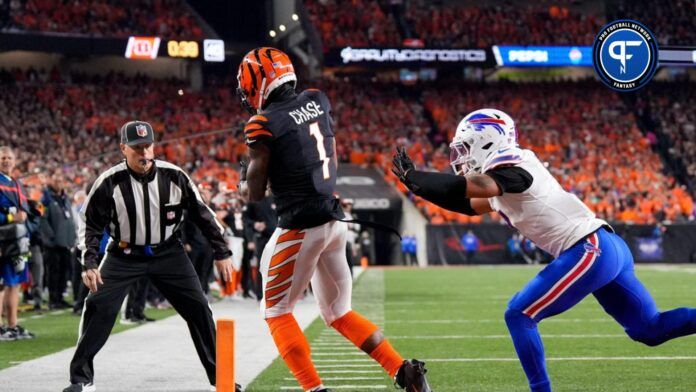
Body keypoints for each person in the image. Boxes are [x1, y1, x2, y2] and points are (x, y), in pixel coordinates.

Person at [392, 108, 696, 392]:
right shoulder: (501, 179)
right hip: (604, 247)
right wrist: (417, 185)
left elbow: (477, 188)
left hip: (589, 248)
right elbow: (468, 205)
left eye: (466, 146)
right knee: (649, 329)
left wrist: (416, 178)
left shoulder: (513, 163)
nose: (461, 156)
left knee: (519, 314)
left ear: (486, 140)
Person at [237, 47, 431, 392]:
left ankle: (314, 388)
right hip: (334, 221)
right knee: (339, 312)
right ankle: (404, 371)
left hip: (299, 226)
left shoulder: (261, 124)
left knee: (276, 311)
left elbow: (253, 194)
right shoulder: (317, 99)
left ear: (259, 83)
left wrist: (246, 174)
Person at [63, 121, 239, 392]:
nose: (144, 153)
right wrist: (89, 262)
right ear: (123, 148)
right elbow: (90, 224)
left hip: (168, 252)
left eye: (147, 147)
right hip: (123, 254)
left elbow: (203, 214)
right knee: (98, 306)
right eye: (136, 148)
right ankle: (82, 379)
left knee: (199, 308)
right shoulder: (109, 182)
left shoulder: (175, 176)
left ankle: (222, 379)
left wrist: (222, 251)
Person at [0, 146, 35, 341]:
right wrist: (12, 217)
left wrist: (33, 210)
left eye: (9, 158)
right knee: (1, 284)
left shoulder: (16, 183)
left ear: (14, 161)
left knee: (14, 283)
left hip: (18, 241)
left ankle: (12, 325)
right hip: (3, 240)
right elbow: (13, 214)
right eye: (3, 157)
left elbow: (23, 210)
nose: (6, 161)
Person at [41, 169, 77, 310]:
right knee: (53, 273)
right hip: (52, 244)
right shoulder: (45, 198)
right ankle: (53, 300)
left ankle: (60, 298)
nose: (59, 183)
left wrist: (71, 237)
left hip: (65, 243)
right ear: (50, 181)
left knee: (64, 271)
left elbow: (70, 219)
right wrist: (50, 238)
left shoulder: (65, 198)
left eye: (61, 180)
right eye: (56, 180)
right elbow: (42, 220)